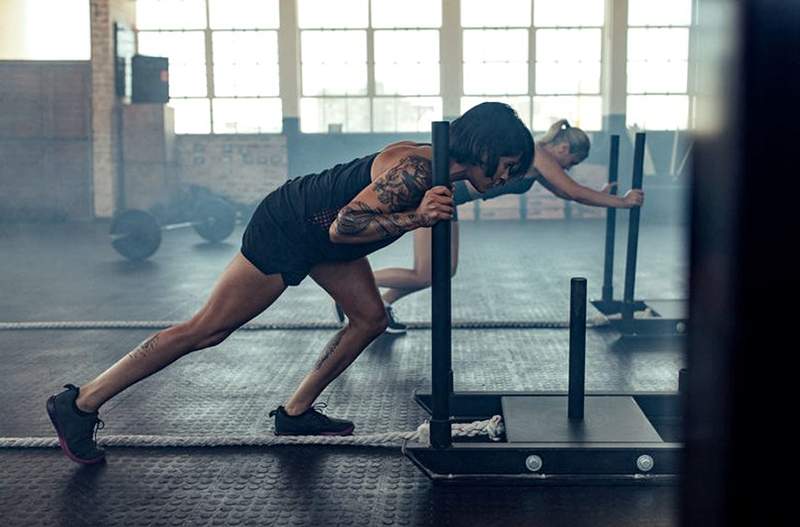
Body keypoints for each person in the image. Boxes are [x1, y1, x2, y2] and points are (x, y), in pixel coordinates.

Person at [45, 102, 534, 464]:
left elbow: (341, 234)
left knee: (369, 319)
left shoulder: (439, 167)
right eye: (509, 164)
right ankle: (81, 401)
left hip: (323, 238)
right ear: (485, 150)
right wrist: (416, 218)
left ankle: (296, 412)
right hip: (289, 226)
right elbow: (345, 226)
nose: (510, 175)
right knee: (208, 330)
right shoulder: (415, 171)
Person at [361, 119, 645, 333]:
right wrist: (623, 202)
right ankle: (358, 288)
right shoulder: (536, 154)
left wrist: (608, 198)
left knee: (442, 271)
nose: (569, 167)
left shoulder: (535, 160)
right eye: (572, 161)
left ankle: (382, 304)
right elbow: (573, 190)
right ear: (563, 147)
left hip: (447, 198)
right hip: (429, 193)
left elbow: (566, 192)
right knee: (426, 273)